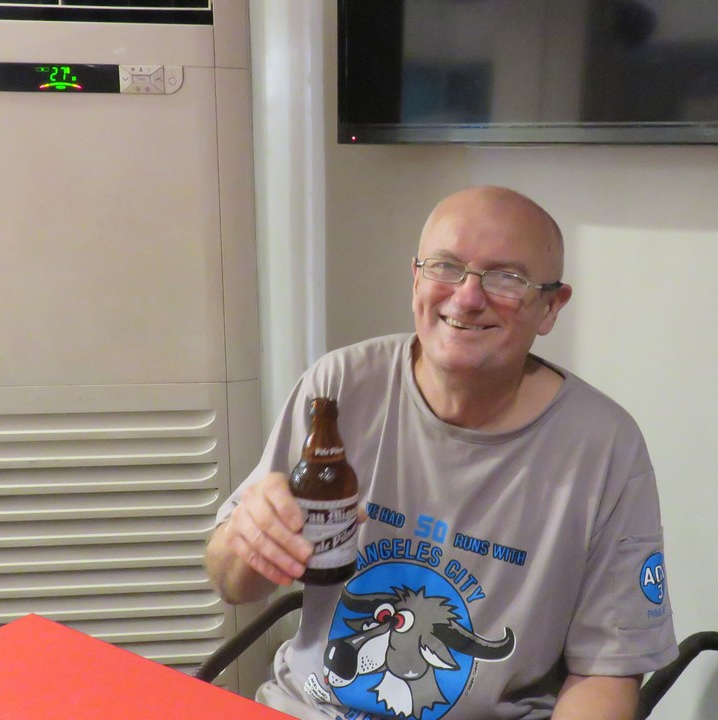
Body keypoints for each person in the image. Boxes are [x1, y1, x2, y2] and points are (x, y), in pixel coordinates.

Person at [206, 185, 677, 720]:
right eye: (446, 267)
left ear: (550, 306)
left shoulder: (605, 446)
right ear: (416, 280)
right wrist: (248, 542)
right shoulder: (339, 388)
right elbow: (231, 583)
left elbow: (606, 673)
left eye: (507, 277)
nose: (468, 297)